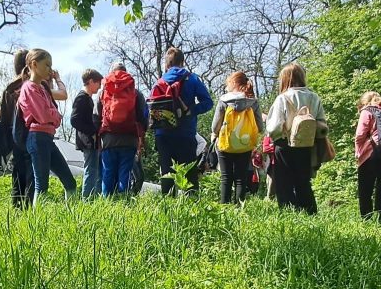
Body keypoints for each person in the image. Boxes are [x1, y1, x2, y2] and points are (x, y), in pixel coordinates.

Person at [18, 49, 77, 204]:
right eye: (47, 65)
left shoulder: (43, 90)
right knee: (42, 185)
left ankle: (72, 214)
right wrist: (55, 115)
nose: (50, 69)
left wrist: (53, 115)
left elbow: (53, 116)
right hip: (37, 138)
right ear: (34, 64)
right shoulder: (29, 88)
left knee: (70, 182)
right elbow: (44, 116)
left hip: (48, 139)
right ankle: (38, 218)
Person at [265, 63, 326, 214]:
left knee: (284, 182)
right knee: (303, 181)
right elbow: (322, 123)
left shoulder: (282, 98)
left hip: (284, 144)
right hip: (307, 144)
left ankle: (288, 213)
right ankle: (310, 212)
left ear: (285, 79)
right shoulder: (314, 97)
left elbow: (273, 127)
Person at [152, 47, 213, 196]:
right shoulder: (192, 79)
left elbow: (151, 109)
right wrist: (191, 110)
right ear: (182, 62)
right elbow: (208, 103)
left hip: (163, 135)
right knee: (189, 174)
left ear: (166, 64)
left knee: (167, 174)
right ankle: (192, 204)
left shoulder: (159, 82)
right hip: (186, 134)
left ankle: (167, 206)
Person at [93, 63, 148, 197]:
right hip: (129, 139)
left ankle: (107, 202)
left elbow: (95, 117)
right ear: (126, 72)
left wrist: (98, 136)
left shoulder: (103, 92)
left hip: (108, 140)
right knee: (125, 172)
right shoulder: (135, 93)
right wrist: (141, 135)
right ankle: (123, 201)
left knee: (108, 172)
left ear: (112, 72)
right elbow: (143, 117)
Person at [210, 72, 265, 204]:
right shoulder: (252, 102)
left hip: (225, 144)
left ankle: (224, 207)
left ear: (234, 83)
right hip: (245, 145)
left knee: (226, 177)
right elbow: (260, 127)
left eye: (228, 83)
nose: (227, 87)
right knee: (241, 178)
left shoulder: (224, 100)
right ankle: (240, 207)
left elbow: (215, 127)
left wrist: (215, 134)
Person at [0, 49, 34, 209]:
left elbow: (3, 117)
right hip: (30, 131)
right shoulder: (31, 84)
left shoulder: (9, 88)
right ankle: (31, 209)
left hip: (14, 135)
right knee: (32, 171)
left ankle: (17, 207)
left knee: (18, 173)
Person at [355, 91, 381, 225]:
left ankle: (366, 221)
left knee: (365, 190)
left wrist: (358, 153)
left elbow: (360, 135)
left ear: (364, 102)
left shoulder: (367, 111)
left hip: (371, 154)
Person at [71, 68, 104, 199]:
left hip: (91, 140)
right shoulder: (82, 98)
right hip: (88, 140)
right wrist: (92, 132)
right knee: (91, 170)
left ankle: (92, 198)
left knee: (94, 171)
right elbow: (74, 120)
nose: (99, 86)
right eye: (98, 83)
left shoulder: (88, 98)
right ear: (91, 81)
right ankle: (87, 200)